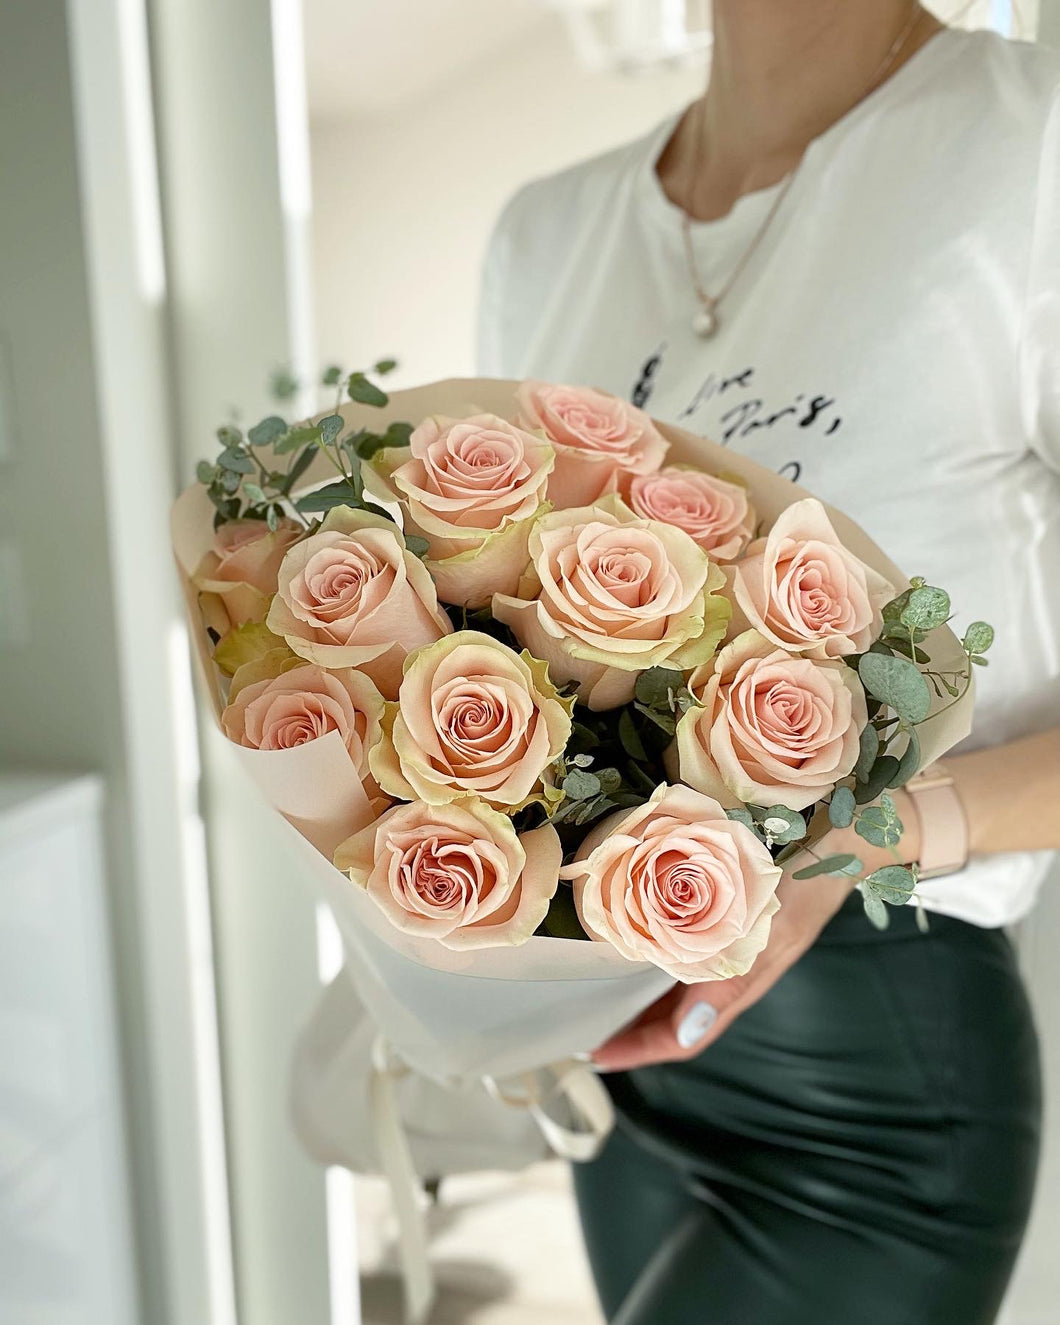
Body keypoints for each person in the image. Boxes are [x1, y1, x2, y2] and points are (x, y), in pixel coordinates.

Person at [476, 3, 1060, 1321]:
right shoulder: (546, 235)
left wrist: (866, 835)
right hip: (625, 1065)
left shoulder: (1032, 149)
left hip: (868, 1111)